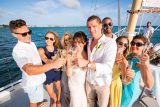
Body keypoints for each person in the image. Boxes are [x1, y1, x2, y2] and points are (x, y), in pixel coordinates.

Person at [9, 19, 65, 107]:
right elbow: (28, 69)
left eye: (29, 32)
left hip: (39, 78)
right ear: (14, 35)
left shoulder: (31, 44)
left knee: (37, 97)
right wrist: (53, 64)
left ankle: (39, 103)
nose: (28, 35)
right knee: (33, 102)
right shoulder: (18, 50)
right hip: (32, 83)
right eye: (24, 34)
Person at [76, 15, 117, 107]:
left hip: (102, 83)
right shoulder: (89, 41)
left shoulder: (110, 43)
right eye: (89, 27)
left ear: (101, 25)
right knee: (89, 103)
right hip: (89, 81)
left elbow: (108, 67)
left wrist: (87, 63)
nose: (91, 30)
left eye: (94, 26)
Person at [121, 35, 154, 107]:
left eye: (138, 44)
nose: (134, 45)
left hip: (129, 91)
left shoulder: (140, 60)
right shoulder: (129, 55)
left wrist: (147, 64)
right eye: (133, 43)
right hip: (122, 87)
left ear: (144, 47)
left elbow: (149, 84)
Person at [108, 36, 135, 107]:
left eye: (125, 45)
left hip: (114, 86)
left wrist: (129, 77)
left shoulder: (123, 61)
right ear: (115, 43)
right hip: (103, 83)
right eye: (120, 43)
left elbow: (124, 80)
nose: (123, 46)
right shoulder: (107, 54)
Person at [38, 31, 63, 107]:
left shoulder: (58, 50)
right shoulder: (41, 50)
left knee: (59, 88)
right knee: (50, 92)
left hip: (57, 72)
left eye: (51, 38)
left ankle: (58, 100)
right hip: (47, 73)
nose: (48, 40)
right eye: (46, 38)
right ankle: (54, 100)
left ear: (54, 40)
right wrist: (54, 63)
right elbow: (45, 59)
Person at [66, 31, 88, 107]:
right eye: (76, 43)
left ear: (85, 43)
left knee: (82, 103)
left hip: (81, 85)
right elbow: (69, 74)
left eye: (80, 43)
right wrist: (68, 61)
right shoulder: (71, 53)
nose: (77, 45)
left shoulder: (88, 53)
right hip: (73, 84)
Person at [60, 32, 73, 107]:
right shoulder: (63, 51)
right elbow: (62, 63)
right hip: (65, 71)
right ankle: (67, 103)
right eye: (66, 40)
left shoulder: (77, 48)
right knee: (65, 88)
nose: (68, 41)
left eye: (69, 38)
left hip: (74, 71)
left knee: (73, 89)